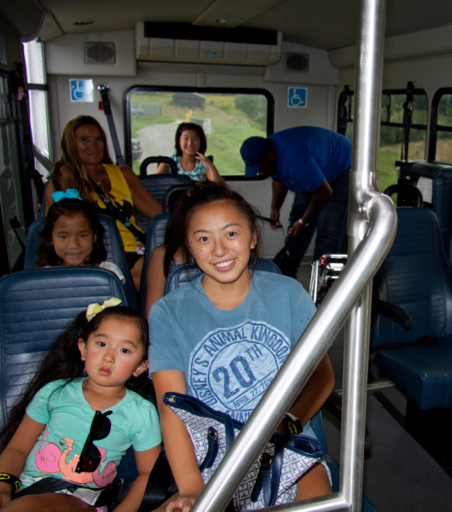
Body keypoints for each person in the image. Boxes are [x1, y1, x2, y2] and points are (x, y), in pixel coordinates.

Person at [148, 181, 334, 511]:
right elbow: (170, 406)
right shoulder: (168, 313)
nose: (219, 250)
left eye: (231, 234)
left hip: (286, 443)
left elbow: (321, 377)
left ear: (252, 238)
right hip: (212, 454)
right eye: (203, 239)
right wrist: (190, 487)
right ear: (190, 249)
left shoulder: (288, 294)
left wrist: (283, 428)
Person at [0, 301, 161, 512]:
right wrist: (0, 488)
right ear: (83, 349)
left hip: (85, 502)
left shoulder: (141, 413)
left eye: (124, 350)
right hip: (31, 493)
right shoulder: (54, 393)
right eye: (101, 344)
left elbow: (148, 474)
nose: (109, 357)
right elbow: (17, 448)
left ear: (140, 366)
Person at [45, 115, 163, 288]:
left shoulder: (122, 173)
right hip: (93, 252)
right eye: (84, 140)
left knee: (164, 264)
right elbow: (53, 226)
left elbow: (159, 215)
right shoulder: (64, 176)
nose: (93, 146)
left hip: (134, 250)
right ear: (71, 144)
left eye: (98, 139)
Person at [240, 126, 352, 278]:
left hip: (340, 166)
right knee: (295, 231)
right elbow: (278, 178)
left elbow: (324, 192)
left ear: (271, 155)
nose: (260, 172)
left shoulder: (295, 160)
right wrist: (275, 209)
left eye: (260, 167)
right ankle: (287, 278)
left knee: (328, 232)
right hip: (315, 171)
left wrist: (304, 222)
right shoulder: (272, 152)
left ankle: (323, 289)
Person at [36, 190, 125, 284]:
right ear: (51, 239)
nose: (74, 245)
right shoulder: (45, 277)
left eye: (82, 236)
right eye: (63, 237)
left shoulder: (109, 272)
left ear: (94, 236)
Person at [155, 122, 224, 183]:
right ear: (179, 141)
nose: (190, 143)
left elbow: (220, 187)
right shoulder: (170, 161)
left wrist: (210, 166)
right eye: (186, 139)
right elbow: (153, 183)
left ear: (201, 142)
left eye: (195, 139)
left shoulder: (204, 164)